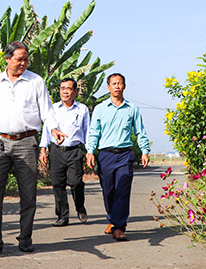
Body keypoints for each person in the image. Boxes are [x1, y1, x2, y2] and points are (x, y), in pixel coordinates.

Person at [0, 41, 66, 254]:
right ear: (7, 59)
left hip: (26, 143)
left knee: (28, 194)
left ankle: (25, 237)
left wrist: (54, 130)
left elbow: (47, 111)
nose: (24, 63)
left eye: (26, 59)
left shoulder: (36, 81)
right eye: (19, 59)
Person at [85, 73, 150, 242]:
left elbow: (140, 131)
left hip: (125, 155)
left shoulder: (132, 109)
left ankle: (119, 227)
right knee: (108, 191)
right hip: (105, 155)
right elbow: (94, 132)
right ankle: (112, 219)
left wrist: (144, 150)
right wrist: (90, 151)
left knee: (122, 189)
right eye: (113, 83)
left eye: (120, 83)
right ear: (108, 87)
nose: (117, 86)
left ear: (124, 87)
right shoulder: (100, 109)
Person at [39, 78, 90, 227]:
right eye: (62, 88)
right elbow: (47, 130)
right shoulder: (53, 109)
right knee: (57, 184)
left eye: (68, 89)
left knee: (76, 182)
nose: (65, 91)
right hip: (56, 151)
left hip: (75, 150)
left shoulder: (82, 109)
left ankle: (80, 206)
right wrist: (43, 149)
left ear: (75, 91)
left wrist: (89, 151)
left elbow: (87, 131)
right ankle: (62, 215)